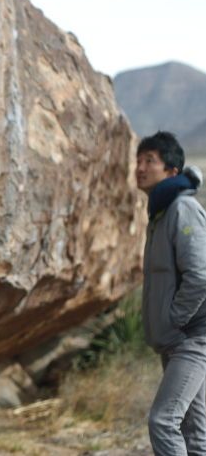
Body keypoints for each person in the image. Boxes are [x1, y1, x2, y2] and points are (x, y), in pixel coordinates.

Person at [137, 131, 206, 454]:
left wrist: (175, 318)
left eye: (150, 160)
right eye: (138, 160)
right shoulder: (160, 214)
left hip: (192, 338)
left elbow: (201, 273)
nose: (140, 167)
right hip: (176, 337)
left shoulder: (182, 208)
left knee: (164, 421)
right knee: (195, 433)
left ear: (172, 172)